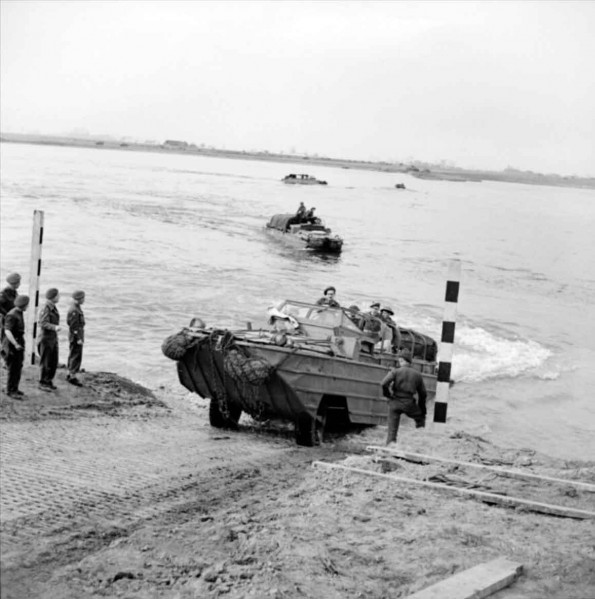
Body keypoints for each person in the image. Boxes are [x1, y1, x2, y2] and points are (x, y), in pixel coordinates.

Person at [381, 349, 427, 445]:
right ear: (409, 361)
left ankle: (389, 447)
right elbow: (423, 394)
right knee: (420, 419)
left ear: (402, 360)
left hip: (394, 403)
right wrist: (422, 410)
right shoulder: (417, 375)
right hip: (409, 404)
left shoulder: (395, 372)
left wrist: (388, 395)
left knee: (392, 432)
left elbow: (384, 383)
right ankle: (419, 442)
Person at [2, 295, 29, 398]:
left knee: (18, 367)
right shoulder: (12, 315)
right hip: (12, 344)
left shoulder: (18, 312)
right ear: (24, 305)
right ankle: (10, 390)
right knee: (13, 368)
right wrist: (15, 344)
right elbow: (7, 331)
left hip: (18, 341)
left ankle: (15, 388)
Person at [38, 288, 61, 391]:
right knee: (46, 361)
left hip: (52, 338)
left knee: (53, 361)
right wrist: (54, 327)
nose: (59, 297)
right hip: (46, 338)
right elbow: (42, 323)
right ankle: (43, 382)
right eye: (58, 295)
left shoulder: (53, 307)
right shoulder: (46, 308)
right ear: (54, 297)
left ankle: (48, 380)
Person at [66, 290, 86, 386]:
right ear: (78, 299)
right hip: (76, 336)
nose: (84, 300)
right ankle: (72, 376)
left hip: (76, 335)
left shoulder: (76, 308)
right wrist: (78, 338)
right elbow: (73, 326)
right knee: (76, 355)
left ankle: (70, 373)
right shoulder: (74, 310)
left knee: (73, 354)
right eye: (82, 298)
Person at [0, 273, 21, 354]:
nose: (20, 284)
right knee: (6, 340)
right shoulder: (4, 293)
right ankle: (5, 360)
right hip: (7, 319)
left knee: (13, 338)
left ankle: (10, 357)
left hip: (14, 319)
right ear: (15, 283)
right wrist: (7, 314)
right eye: (18, 282)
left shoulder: (14, 292)